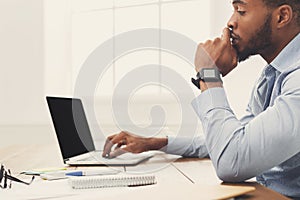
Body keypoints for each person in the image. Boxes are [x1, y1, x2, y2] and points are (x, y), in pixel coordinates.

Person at [102, 0, 300, 198]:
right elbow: (237, 141)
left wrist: (209, 74)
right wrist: (155, 143)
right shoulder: (271, 78)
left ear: (282, 17)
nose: (230, 23)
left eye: (241, 11)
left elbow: (232, 161)